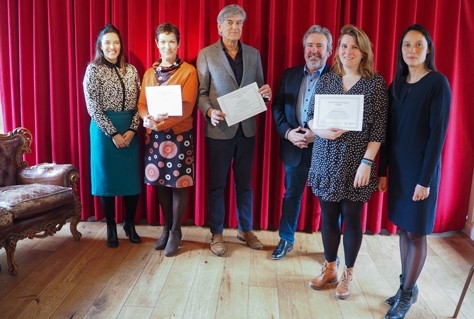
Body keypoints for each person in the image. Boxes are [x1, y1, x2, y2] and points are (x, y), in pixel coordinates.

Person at [306, 24, 388, 299]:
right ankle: (329, 268)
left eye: (354, 46)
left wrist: (367, 163)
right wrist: (320, 131)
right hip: (325, 158)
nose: (347, 51)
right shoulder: (328, 79)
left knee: (352, 220)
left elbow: (378, 130)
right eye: (343, 46)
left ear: (363, 51)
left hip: (357, 164)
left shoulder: (375, 83)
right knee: (328, 217)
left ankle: (348, 274)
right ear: (337, 50)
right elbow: (310, 116)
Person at [378, 24, 451, 319]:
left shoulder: (438, 84)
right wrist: (382, 171)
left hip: (422, 172)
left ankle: (407, 295)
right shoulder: (395, 85)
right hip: (399, 170)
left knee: (417, 233)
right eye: (407, 45)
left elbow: (438, 135)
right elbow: (386, 131)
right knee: (404, 229)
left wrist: (425, 180)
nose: (411, 50)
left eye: (418, 45)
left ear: (428, 49)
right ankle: (406, 284)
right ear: (401, 50)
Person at [196, 4, 272, 257]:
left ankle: (245, 229)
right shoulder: (206, 54)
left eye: (239, 22)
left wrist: (267, 95)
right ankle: (216, 233)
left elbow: (260, 90)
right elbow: (202, 94)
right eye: (229, 22)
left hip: (247, 129)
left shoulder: (253, 54)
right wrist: (209, 111)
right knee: (217, 185)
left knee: (245, 184)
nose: (235, 27)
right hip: (219, 131)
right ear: (219, 27)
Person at [271, 25, 333, 260]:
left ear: (329, 51)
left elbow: (340, 118)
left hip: (325, 151)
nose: (314, 50)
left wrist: (315, 134)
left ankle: (331, 248)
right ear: (303, 49)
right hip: (294, 148)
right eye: (310, 45)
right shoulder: (289, 75)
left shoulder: (337, 79)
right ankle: (286, 239)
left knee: (329, 202)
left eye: (319, 46)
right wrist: (288, 133)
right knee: (291, 196)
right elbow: (277, 107)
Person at [137, 22, 198, 257]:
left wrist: (159, 123)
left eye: (171, 41)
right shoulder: (149, 73)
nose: (167, 46)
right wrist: (146, 120)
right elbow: (142, 105)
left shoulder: (188, 72)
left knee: (178, 184)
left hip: (179, 136)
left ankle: (175, 231)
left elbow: (186, 107)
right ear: (157, 44)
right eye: (162, 41)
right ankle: (165, 228)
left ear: (178, 43)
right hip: (154, 137)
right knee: (160, 183)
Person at [83, 24, 142, 248]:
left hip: (130, 129)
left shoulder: (132, 70)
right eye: (107, 42)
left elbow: (140, 103)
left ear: (121, 45)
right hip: (104, 132)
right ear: (100, 45)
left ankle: (129, 223)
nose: (112, 46)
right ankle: (110, 226)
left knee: (131, 181)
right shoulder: (93, 70)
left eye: (116, 42)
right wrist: (114, 133)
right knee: (107, 181)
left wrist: (131, 130)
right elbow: (93, 108)